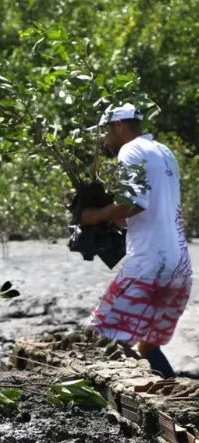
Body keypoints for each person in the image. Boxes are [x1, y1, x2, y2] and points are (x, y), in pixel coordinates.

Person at [81, 103, 192, 378]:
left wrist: (92, 216)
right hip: (180, 268)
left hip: (149, 265)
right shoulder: (164, 152)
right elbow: (144, 209)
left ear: (119, 125)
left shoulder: (130, 151)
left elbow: (133, 204)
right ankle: (172, 395)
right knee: (148, 347)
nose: (105, 139)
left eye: (106, 131)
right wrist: (113, 215)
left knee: (102, 338)